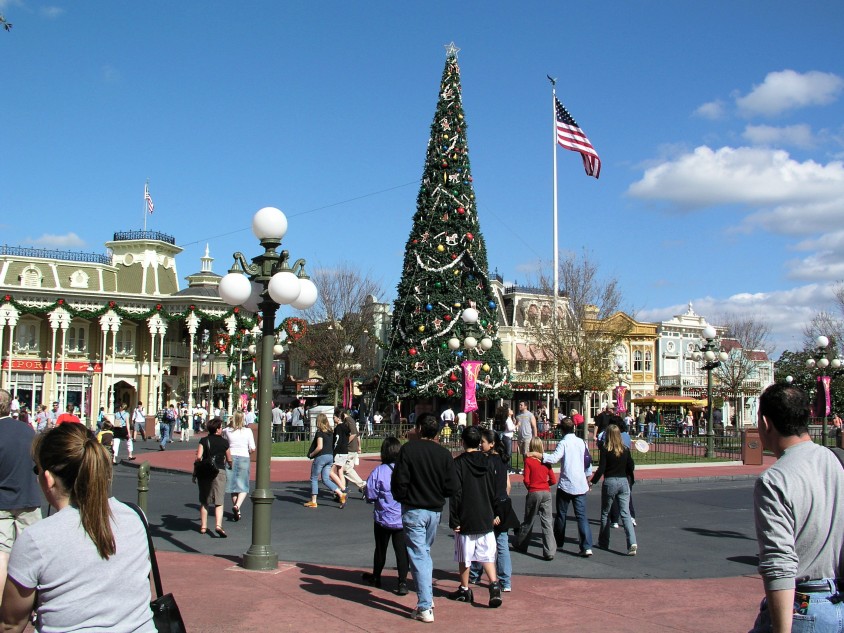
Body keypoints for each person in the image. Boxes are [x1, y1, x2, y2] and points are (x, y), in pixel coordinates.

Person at [0, 423, 155, 632]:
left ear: (47, 479)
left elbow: (11, 623)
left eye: (37, 469)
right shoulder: (136, 517)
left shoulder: (36, 539)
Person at [748, 383, 844, 633]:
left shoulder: (774, 480)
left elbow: (779, 563)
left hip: (803, 606)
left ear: (766, 423)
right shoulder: (836, 461)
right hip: (836, 601)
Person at [392, 412, 457, 623]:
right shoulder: (444, 454)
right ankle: (427, 595)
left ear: (419, 429)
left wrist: (402, 497)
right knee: (424, 552)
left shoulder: (408, 450)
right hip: (434, 510)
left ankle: (425, 605)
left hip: (414, 508)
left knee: (419, 555)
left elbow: (400, 480)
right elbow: (452, 486)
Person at [447, 426, 503, 608]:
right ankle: (494, 584)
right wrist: (495, 510)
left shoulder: (458, 464)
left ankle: (464, 588)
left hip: (466, 513)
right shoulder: (488, 462)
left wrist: (454, 518)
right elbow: (495, 489)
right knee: (487, 553)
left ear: (463, 442)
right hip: (485, 511)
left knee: (465, 555)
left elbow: (456, 492)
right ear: (479, 442)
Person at [530, 417, 593, 557]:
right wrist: (588, 479)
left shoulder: (564, 443)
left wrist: (539, 455)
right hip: (580, 483)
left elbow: (554, 458)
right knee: (581, 516)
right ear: (574, 428)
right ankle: (587, 545)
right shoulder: (581, 442)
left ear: (562, 430)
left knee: (561, 515)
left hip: (566, 483)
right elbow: (587, 461)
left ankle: (558, 541)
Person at [0, 389, 42, 599]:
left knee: (2, 553)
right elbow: (38, 463)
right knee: (33, 553)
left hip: (2, 502)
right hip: (28, 497)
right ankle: (35, 601)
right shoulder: (27, 431)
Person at [469, 428, 518, 592]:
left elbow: (490, 488)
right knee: (502, 543)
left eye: (483, 442)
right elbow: (506, 485)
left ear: (492, 444)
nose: (480, 445)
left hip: (492, 505)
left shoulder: (487, 462)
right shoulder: (503, 460)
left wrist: (493, 512)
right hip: (503, 504)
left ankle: (475, 574)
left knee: (480, 540)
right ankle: (506, 580)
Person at [362, 437, 409, 596]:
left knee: (380, 549)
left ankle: (376, 576)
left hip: (383, 517)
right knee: (401, 551)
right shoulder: (405, 470)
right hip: (401, 518)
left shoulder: (379, 471)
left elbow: (370, 493)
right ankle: (402, 582)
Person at [591, 424, 637, 556]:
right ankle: (632, 542)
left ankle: (604, 541)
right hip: (623, 481)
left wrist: (592, 481)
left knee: (605, 513)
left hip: (610, 481)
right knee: (626, 513)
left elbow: (601, 468)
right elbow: (631, 466)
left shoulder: (606, 449)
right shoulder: (625, 449)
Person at [514, 436, 557, 560]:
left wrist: (531, 487)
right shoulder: (546, 461)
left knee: (529, 519)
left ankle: (521, 544)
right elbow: (553, 480)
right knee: (547, 521)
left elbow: (526, 479)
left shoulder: (529, 461)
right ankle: (549, 551)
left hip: (534, 491)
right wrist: (545, 485)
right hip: (546, 492)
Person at [194, 417, 232, 537]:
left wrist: (196, 469)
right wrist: (230, 464)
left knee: (204, 500)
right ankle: (218, 525)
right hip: (219, 471)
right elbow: (229, 458)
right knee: (219, 501)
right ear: (218, 429)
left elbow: (198, 457)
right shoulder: (224, 442)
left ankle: (203, 526)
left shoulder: (203, 441)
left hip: (205, 471)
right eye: (221, 427)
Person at [304, 413, 343, 508]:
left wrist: (312, 454)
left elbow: (319, 447)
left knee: (314, 477)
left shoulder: (320, 432)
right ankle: (341, 494)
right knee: (325, 479)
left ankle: (314, 501)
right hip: (330, 456)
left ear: (319, 422)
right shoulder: (330, 432)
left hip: (321, 456)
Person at [223, 410, 255, 522]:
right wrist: (248, 452)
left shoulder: (227, 431)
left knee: (233, 486)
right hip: (243, 456)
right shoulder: (247, 431)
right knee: (244, 485)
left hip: (231, 457)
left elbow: (225, 444)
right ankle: (237, 506)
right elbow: (252, 448)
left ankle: (238, 510)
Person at [329, 408, 353, 507]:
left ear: (338, 418)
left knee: (330, 472)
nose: (333, 418)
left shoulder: (338, 428)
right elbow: (349, 435)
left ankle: (343, 489)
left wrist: (334, 452)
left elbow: (337, 441)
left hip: (339, 452)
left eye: (334, 417)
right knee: (340, 472)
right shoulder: (346, 427)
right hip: (345, 451)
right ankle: (342, 493)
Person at [343, 413, 367, 496]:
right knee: (344, 469)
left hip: (350, 448)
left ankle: (362, 485)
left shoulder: (348, 420)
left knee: (346, 469)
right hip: (353, 448)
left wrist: (344, 443)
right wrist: (359, 446)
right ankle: (343, 488)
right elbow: (357, 435)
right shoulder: (351, 420)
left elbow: (353, 434)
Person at [515, 402, 538, 467]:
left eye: (521, 405)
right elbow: (516, 425)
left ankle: (528, 468)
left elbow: (534, 426)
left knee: (527, 453)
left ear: (525, 406)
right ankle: (526, 467)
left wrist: (535, 437)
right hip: (520, 437)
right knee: (523, 454)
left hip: (527, 437)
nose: (519, 406)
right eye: (519, 404)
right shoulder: (518, 415)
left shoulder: (530, 415)